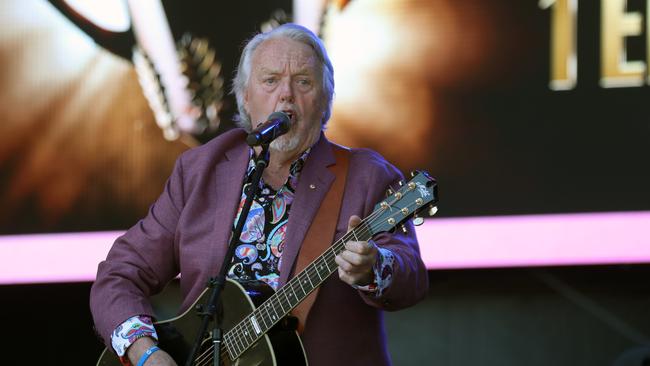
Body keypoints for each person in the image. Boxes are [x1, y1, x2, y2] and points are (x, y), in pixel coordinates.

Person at [90, 23, 428, 366]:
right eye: (271, 80)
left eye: (304, 82)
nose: (286, 94)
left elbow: (410, 276)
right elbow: (119, 274)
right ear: (245, 97)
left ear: (324, 101)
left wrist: (375, 268)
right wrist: (146, 353)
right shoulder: (199, 170)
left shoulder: (366, 175)